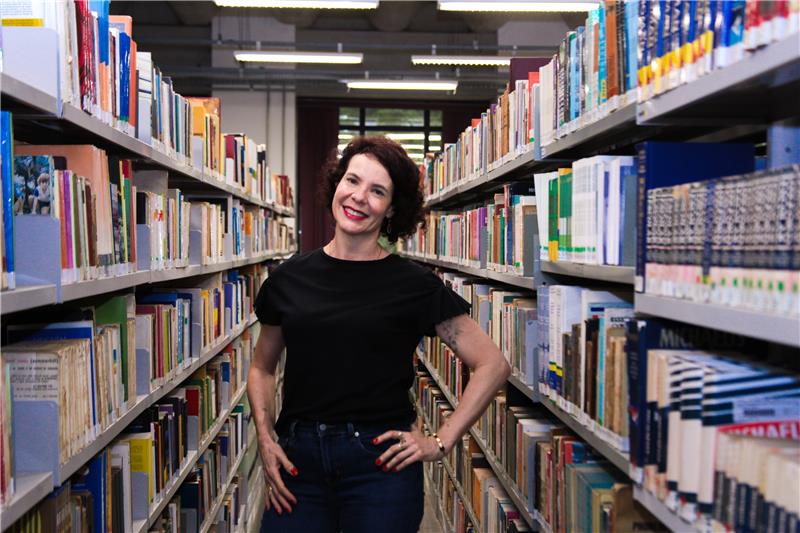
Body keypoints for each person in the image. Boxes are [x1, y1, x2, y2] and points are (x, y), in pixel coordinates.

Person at [248, 135, 511, 533]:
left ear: (391, 209)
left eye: (377, 191)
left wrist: (440, 442)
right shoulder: (288, 279)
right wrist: (266, 439)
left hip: (380, 466)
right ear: (337, 183)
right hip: (299, 461)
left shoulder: (415, 285)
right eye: (352, 180)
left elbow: (492, 364)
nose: (358, 197)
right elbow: (262, 369)